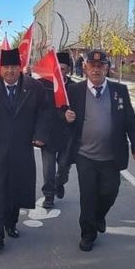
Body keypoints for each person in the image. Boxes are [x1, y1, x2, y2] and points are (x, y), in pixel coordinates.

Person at [64, 49, 135, 252]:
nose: (96, 69)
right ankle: (88, 234)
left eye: (101, 66)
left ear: (107, 68)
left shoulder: (120, 91)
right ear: (86, 67)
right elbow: (60, 115)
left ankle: (99, 216)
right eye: (93, 66)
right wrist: (66, 117)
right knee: (88, 195)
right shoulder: (74, 91)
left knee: (110, 191)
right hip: (85, 155)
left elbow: (131, 121)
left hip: (110, 155)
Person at [0, 48, 49, 250]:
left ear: (20, 67)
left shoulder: (34, 87)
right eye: (6, 67)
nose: (10, 71)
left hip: (22, 147)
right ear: (0, 68)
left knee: (16, 187)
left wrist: (39, 135)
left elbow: (43, 112)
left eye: (14, 67)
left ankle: (11, 222)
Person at [40, 52, 75, 209]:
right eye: (57, 68)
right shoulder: (43, 84)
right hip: (48, 133)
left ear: (68, 70)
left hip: (67, 134)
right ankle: (48, 196)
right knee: (48, 169)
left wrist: (72, 115)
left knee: (63, 166)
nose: (60, 72)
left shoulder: (74, 87)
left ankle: (59, 183)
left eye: (63, 69)